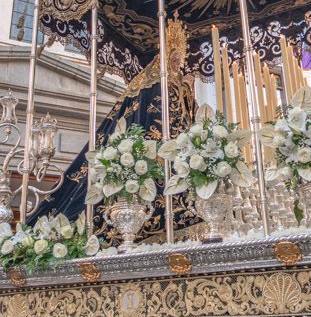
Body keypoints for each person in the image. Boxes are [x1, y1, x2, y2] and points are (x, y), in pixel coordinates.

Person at [29, 15, 198, 241]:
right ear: (165, 60)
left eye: (179, 61)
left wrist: (187, 89)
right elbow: (155, 112)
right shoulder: (154, 83)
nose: (177, 65)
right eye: (174, 60)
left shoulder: (179, 84)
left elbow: (187, 115)